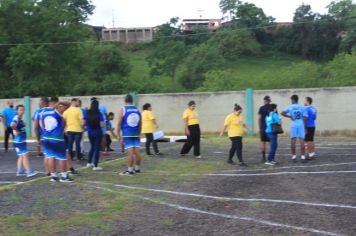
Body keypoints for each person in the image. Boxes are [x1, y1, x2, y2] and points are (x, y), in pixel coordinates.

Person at [40, 97, 73, 182]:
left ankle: (53, 176)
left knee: (50, 156)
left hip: (46, 137)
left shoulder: (42, 112)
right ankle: (64, 176)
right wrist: (60, 102)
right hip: (57, 138)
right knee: (62, 157)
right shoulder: (57, 111)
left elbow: (42, 125)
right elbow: (69, 105)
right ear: (55, 102)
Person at [117, 94, 142, 175]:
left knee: (130, 152)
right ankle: (137, 168)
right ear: (132, 101)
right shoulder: (137, 109)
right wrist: (139, 134)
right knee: (137, 151)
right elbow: (140, 123)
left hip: (127, 132)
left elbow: (119, 123)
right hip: (135, 132)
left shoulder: (123, 109)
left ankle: (130, 170)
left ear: (125, 100)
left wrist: (118, 134)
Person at [11, 105, 38, 177]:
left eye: (23, 110)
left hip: (19, 141)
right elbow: (12, 125)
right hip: (19, 141)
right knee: (25, 155)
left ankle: (19, 171)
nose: (22, 111)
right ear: (17, 111)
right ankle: (29, 171)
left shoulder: (20, 118)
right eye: (20, 110)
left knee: (21, 156)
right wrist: (17, 130)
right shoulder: (16, 118)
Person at [281, 95, 308, 163]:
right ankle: (302, 157)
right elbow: (305, 117)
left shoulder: (290, 107)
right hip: (300, 124)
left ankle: (294, 157)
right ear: (297, 100)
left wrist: (290, 116)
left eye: (291, 100)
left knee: (293, 140)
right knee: (302, 140)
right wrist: (305, 127)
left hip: (294, 124)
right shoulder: (302, 107)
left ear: (293, 100)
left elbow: (282, 113)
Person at [84, 99, 105, 170]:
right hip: (97, 132)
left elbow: (83, 122)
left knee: (92, 147)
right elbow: (102, 125)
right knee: (97, 148)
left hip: (90, 132)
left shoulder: (87, 113)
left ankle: (89, 162)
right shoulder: (99, 113)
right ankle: (96, 165)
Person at [33, 97, 50, 174]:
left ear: (43, 103)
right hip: (53, 135)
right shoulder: (53, 110)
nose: (39, 103)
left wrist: (38, 139)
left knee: (47, 154)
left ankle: (48, 171)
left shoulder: (38, 112)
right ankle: (52, 171)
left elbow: (36, 127)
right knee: (52, 154)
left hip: (44, 136)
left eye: (40, 102)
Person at [258, 96, 271, 163]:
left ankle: (263, 157)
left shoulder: (261, 108)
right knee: (271, 142)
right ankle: (271, 157)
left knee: (263, 142)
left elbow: (259, 118)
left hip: (263, 127)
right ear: (269, 100)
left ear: (264, 100)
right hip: (271, 128)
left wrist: (260, 128)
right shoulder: (273, 107)